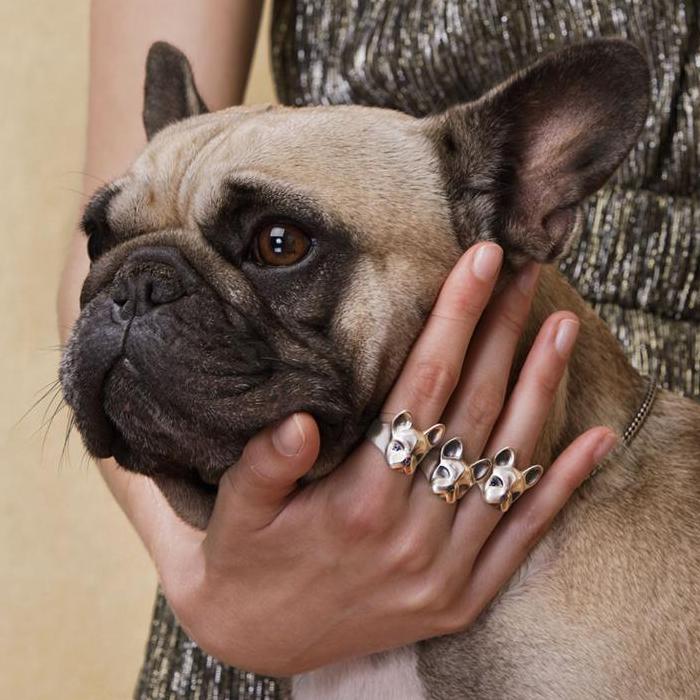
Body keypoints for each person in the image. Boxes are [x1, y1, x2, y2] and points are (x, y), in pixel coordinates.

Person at [57, 2, 698, 698]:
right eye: (112, 244)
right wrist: (210, 586)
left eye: (280, 245)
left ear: (511, 194)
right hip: (260, 604)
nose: (132, 300)